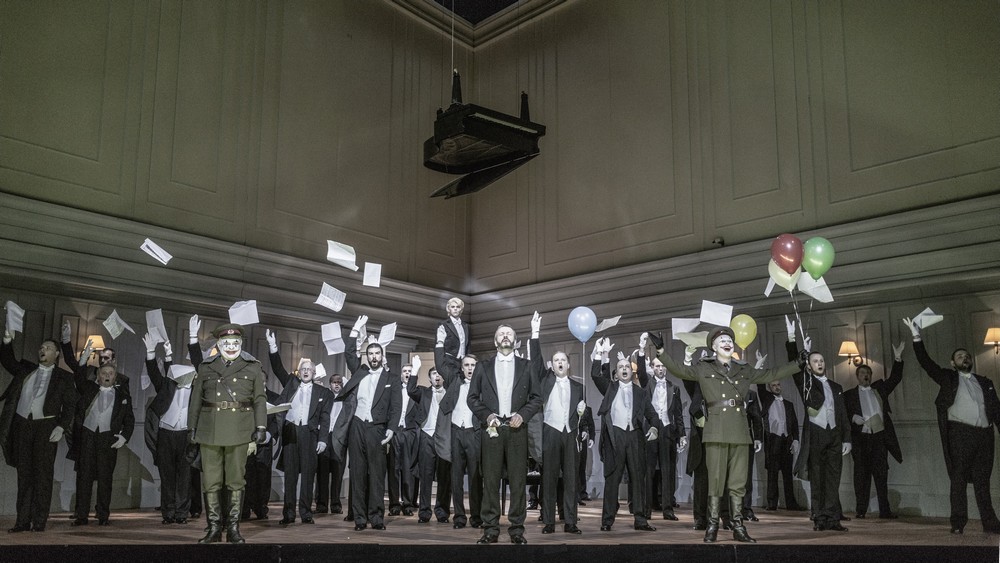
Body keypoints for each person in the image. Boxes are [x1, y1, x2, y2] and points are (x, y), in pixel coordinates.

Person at [653, 326, 799, 543]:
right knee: (715, 480)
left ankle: (738, 526)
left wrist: (798, 363)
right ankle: (712, 525)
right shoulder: (703, 368)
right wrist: (661, 351)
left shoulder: (744, 369)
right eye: (722, 340)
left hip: (740, 431)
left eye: (729, 340)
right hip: (716, 430)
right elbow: (680, 370)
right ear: (713, 347)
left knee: (738, 483)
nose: (727, 343)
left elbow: (771, 374)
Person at [906, 316, 1000, 534]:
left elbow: (996, 409)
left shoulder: (985, 382)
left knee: (982, 481)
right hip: (960, 434)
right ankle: (958, 523)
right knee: (958, 481)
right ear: (952, 363)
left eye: (967, 356)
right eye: (960, 356)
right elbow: (927, 364)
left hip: (984, 436)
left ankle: (990, 523)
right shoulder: (948, 378)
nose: (964, 358)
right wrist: (916, 336)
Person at [188, 323, 268, 544]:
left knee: (235, 481)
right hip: (209, 429)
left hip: (239, 430)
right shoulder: (206, 367)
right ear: (219, 344)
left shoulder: (252, 367)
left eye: (235, 343)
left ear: (241, 344)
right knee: (211, 481)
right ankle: (214, 528)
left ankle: (233, 529)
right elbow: (195, 400)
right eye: (226, 343)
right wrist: (191, 427)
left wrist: (261, 427)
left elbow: (259, 400)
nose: (231, 347)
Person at [467, 313, 543, 545]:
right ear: (495, 341)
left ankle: (517, 529)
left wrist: (523, 415)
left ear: (515, 340)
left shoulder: (527, 366)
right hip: (492, 429)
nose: (505, 336)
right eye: (501, 334)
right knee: (490, 481)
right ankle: (490, 529)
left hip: (517, 428)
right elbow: (472, 398)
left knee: (518, 482)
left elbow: (537, 398)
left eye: (509, 334)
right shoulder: (483, 366)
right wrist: (487, 415)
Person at [0, 326, 78, 533]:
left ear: (56, 354)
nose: (43, 350)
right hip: (22, 426)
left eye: (48, 348)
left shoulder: (64, 377)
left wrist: (61, 427)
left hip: (46, 427)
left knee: (42, 475)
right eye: (41, 347)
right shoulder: (26, 369)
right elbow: (7, 361)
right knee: (24, 475)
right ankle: (22, 522)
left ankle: (39, 521)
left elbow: (70, 406)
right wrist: (7, 339)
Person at [784, 317, 851, 533]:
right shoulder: (807, 383)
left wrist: (847, 438)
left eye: (821, 360)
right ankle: (819, 518)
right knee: (818, 479)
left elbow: (843, 415)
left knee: (833, 479)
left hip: (835, 435)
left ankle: (833, 518)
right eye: (815, 361)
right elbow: (795, 367)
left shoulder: (836, 386)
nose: (820, 363)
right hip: (816, 435)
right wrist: (792, 340)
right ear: (809, 365)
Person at [590, 337, 662, 532]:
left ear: (632, 371)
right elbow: (595, 375)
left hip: (635, 437)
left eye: (627, 367)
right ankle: (607, 521)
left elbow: (652, 415)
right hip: (615, 438)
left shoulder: (641, 393)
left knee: (638, 479)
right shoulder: (610, 388)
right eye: (620, 366)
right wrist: (600, 353)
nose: (624, 369)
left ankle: (641, 520)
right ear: (617, 372)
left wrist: (654, 428)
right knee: (612, 480)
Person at [337, 315, 402, 531]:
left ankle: (376, 518)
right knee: (357, 474)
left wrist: (391, 429)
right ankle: (359, 518)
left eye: (377, 353)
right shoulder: (360, 372)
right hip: (357, 426)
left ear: (382, 356)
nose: (374, 357)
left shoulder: (392, 379)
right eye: (371, 353)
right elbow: (349, 352)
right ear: (367, 356)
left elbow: (396, 407)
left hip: (377, 429)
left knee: (376, 475)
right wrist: (355, 329)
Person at [267, 333, 333, 526]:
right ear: (299, 372)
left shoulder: (323, 392)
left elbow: (325, 417)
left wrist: (323, 439)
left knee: (308, 476)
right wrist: (273, 346)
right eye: (303, 369)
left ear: (314, 373)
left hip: (309, 435)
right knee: (290, 476)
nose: (305, 372)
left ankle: (305, 513)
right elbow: (278, 368)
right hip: (291, 433)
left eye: (309, 369)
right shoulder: (291, 383)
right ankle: (288, 514)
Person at [529, 322, 585, 535]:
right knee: (549, 479)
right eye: (556, 360)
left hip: (570, 433)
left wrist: (582, 414)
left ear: (568, 365)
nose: (560, 363)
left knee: (571, 480)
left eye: (563, 360)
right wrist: (535, 334)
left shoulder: (579, 388)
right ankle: (549, 522)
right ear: (551, 366)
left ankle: (570, 522)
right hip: (550, 432)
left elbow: (582, 417)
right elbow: (535, 362)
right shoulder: (545, 380)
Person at [68, 362, 134, 526]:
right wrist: (82, 362)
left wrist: (124, 437)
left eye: (110, 373)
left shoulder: (123, 397)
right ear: (98, 376)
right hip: (87, 436)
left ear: (115, 377)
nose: (107, 376)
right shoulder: (89, 389)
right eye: (104, 373)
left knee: (105, 479)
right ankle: (82, 515)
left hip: (108, 439)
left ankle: (103, 515)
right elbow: (79, 378)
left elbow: (129, 420)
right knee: (84, 478)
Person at [843, 343, 904, 520]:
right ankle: (861, 510)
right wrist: (853, 418)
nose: (866, 376)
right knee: (861, 476)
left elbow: (895, 378)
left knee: (881, 474)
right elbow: (842, 416)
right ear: (857, 376)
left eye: (868, 373)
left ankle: (885, 511)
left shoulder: (880, 389)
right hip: (860, 439)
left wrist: (898, 358)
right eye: (863, 373)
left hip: (879, 438)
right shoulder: (848, 395)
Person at [144, 335, 195, 525]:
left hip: (186, 436)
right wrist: (151, 352)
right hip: (166, 434)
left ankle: (182, 513)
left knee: (184, 477)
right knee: (167, 476)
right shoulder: (166, 387)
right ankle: (168, 513)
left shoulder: (196, 391)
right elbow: (154, 374)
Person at [636, 335, 686, 521]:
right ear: (653, 368)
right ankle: (646, 510)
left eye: (663, 366)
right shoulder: (647, 383)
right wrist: (642, 349)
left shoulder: (674, 388)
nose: (660, 369)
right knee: (648, 472)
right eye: (657, 366)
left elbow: (678, 415)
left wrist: (682, 435)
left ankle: (667, 509)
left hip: (668, 431)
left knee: (668, 472)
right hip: (651, 430)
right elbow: (641, 371)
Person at [438, 353, 482, 529]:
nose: (470, 368)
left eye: (473, 365)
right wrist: (440, 343)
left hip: (473, 433)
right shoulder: (454, 381)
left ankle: (476, 517)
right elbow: (440, 365)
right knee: (456, 477)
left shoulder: (482, 385)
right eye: (467, 365)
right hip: (456, 431)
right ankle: (459, 517)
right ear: (462, 368)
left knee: (475, 478)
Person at [408, 363, 452, 523]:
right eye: (434, 374)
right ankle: (424, 512)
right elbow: (410, 390)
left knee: (444, 477)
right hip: (427, 436)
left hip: (445, 438)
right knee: (425, 477)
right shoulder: (423, 393)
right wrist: (414, 371)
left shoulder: (450, 393)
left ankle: (442, 512)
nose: (437, 376)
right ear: (429, 378)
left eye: (439, 374)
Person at [756, 377, 802, 511]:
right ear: (769, 388)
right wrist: (761, 370)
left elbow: (794, 424)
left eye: (778, 385)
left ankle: (791, 503)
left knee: (788, 474)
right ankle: (772, 503)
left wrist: (796, 440)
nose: (776, 387)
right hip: (773, 440)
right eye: (773, 385)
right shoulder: (767, 399)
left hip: (786, 440)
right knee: (772, 473)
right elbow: (760, 387)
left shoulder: (788, 404)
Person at [316, 373, 352, 516]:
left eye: (339, 382)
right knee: (322, 473)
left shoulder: (347, 399)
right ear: (330, 384)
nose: (337, 384)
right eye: (334, 382)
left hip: (339, 438)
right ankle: (321, 504)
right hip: (325, 437)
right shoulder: (324, 397)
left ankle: (336, 504)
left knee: (338, 473)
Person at [391, 361, 420, 516]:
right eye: (405, 371)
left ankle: (408, 504)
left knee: (408, 470)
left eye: (410, 371)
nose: (407, 373)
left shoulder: (418, 392)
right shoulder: (394, 390)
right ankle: (394, 504)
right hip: (395, 432)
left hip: (410, 433)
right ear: (401, 374)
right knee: (394, 470)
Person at [60, 321, 127, 387]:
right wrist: (66, 339)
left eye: (106, 358)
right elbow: (70, 361)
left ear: (113, 360)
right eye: (100, 357)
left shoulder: (122, 380)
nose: (102, 360)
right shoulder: (90, 370)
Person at [577, 404, 595, 505]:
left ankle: (582, 492)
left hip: (582, 439)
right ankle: (575, 494)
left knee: (582, 465)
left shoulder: (587, 409)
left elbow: (591, 424)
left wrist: (592, 437)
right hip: (573, 437)